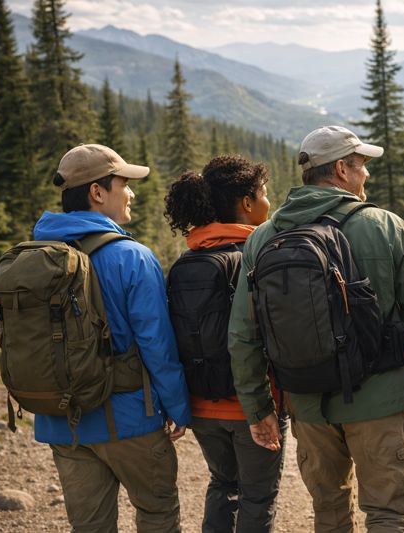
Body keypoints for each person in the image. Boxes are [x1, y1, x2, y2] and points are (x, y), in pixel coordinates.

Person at [228, 125, 404, 532]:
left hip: (308, 403)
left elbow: (243, 334)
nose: (366, 174)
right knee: (389, 514)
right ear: (342, 169)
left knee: (329, 511)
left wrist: (258, 408)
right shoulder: (384, 225)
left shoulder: (262, 238)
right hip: (380, 400)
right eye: (362, 165)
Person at [33, 144, 191, 532]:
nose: (131, 192)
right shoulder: (132, 257)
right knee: (157, 514)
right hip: (130, 419)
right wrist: (178, 409)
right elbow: (157, 344)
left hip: (62, 423)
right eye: (124, 183)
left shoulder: (37, 255)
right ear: (97, 192)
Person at [164, 155, 286, 533]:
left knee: (222, 484)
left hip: (201, 405)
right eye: (264, 194)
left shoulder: (188, 258)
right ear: (247, 204)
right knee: (257, 496)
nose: (269, 201)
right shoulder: (258, 256)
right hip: (253, 406)